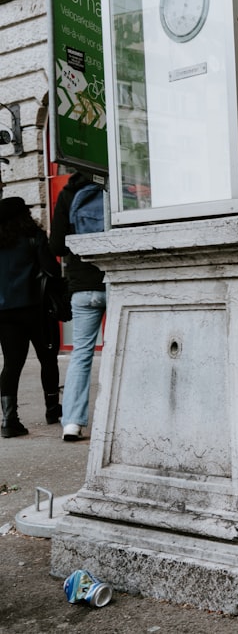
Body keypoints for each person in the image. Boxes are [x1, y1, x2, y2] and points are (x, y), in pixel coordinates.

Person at [50, 171, 106, 442]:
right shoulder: (115, 188)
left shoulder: (67, 194)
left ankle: (72, 422)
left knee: (81, 354)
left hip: (82, 286)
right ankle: (116, 416)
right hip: (115, 280)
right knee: (122, 351)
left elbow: (57, 245)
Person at [0, 196, 63, 437]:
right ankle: (52, 409)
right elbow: (52, 270)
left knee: (12, 364)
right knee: (48, 358)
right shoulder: (33, 237)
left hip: (4, 313)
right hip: (36, 309)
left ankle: (9, 420)